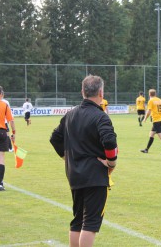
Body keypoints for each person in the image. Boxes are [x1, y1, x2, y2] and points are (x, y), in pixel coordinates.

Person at [50, 75, 118, 247]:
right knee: (90, 223)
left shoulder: (70, 115)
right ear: (101, 92)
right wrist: (111, 163)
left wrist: (68, 158)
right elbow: (109, 141)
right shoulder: (100, 116)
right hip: (94, 176)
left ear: (83, 92)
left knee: (78, 220)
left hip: (74, 175)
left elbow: (55, 138)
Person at [140, 89, 161, 154]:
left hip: (156, 121)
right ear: (155, 94)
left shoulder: (151, 101)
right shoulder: (160, 100)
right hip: (160, 120)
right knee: (151, 134)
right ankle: (146, 149)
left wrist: (145, 118)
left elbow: (149, 111)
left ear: (149, 94)